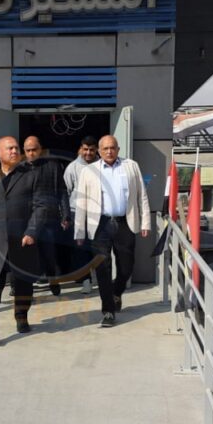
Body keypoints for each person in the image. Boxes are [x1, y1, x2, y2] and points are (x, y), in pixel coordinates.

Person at [0, 136, 47, 345]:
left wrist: (31, 232)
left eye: (16, 148)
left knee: (23, 284)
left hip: (22, 241)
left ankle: (21, 316)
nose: (14, 151)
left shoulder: (31, 175)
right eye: (9, 148)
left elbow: (41, 206)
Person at [73, 134, 151, 328]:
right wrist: (79, 232)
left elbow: (141, 195)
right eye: (105, 148)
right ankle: (108, 311)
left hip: (125, 222)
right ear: (99, 151)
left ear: (118, 149)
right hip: (100, 224)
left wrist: (145, 222)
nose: (109, 151)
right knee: (102, 268)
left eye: (112, 148)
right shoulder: (88, 171)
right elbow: (81, 203)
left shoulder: (131, 166)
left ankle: (116, 292)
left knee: (126, 267)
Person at [22, 136, 69, 296]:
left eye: (34, 150)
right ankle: (22, 286)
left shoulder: (53, 166)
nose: (31, 153)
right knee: (26, 254)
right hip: (25, 218)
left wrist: (65, 215)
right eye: (28, 150)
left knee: (48, 253)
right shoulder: (19, 168)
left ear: (40, 149)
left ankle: (52, 278)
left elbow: (62, 192)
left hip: (49, 217)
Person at [62, 135, 99, 292]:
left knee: (97, 247)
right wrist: (65, 216)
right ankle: (86, 280)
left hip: (97, 213)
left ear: (96, 150)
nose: (88, 152)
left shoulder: (102, 166)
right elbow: (65, 192)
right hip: (76, 213)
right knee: (80, 248)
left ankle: (99, 278)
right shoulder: (73, 167)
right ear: (80, 149)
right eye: (85, 149)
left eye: (91, 149)